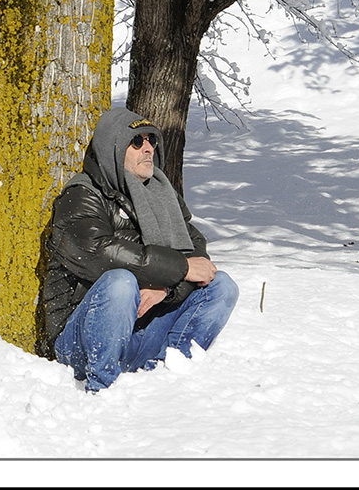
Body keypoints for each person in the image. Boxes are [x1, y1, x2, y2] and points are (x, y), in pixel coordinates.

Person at [40, 106, 238, 392]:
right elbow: (99, 254)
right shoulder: (82, 195)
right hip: (81, 339)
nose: (148, 148)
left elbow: (197, 254)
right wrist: (179, 269)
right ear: (114, 147)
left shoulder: (161, 193)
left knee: (220, 286)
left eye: (151, 140)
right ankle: (101, 388)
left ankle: (167, 376)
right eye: (137, 141)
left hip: (141, 330)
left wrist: (167, 288)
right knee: (121, 281)